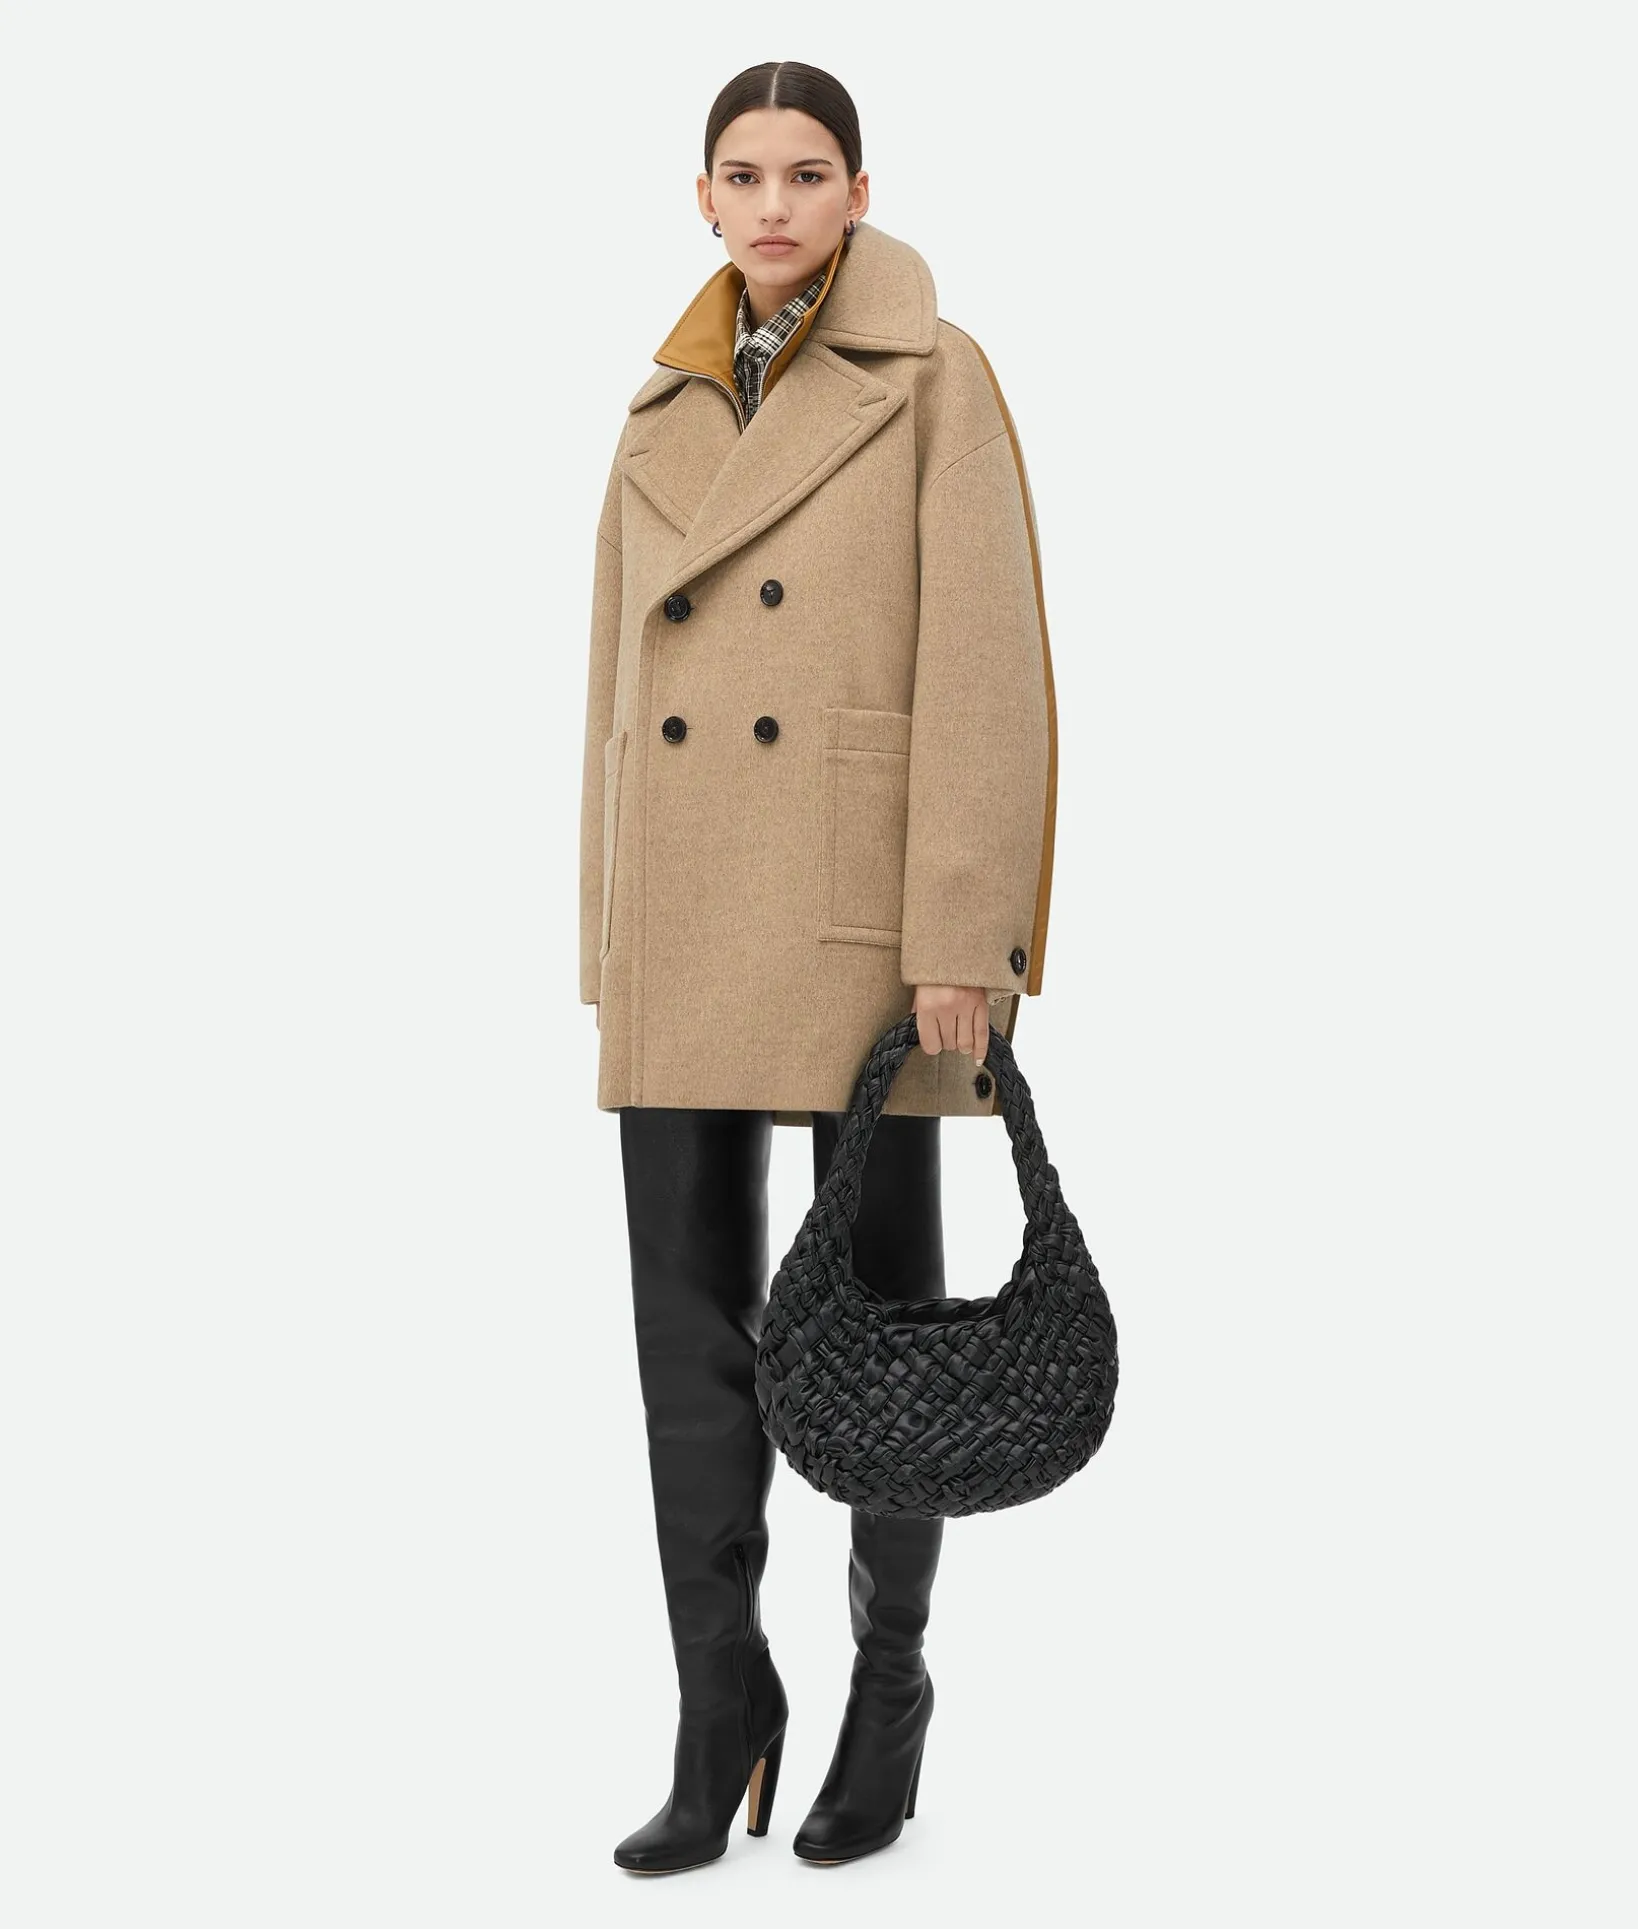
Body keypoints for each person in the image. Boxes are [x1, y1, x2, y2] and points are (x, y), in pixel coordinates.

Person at [578, 60, 1058, 1874]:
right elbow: (614, 693)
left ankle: (885, 1688)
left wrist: (961, 935)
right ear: (700, 198)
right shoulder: (658, 404)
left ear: (860, 191)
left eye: (804, 174)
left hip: (861, 919)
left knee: (877, 1340)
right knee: (685, 1341)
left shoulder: (936, 378)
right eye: (741, 175)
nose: (771, 205)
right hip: (687, 915)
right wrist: (609, 927)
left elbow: (988, 664)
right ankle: (719, 1708)